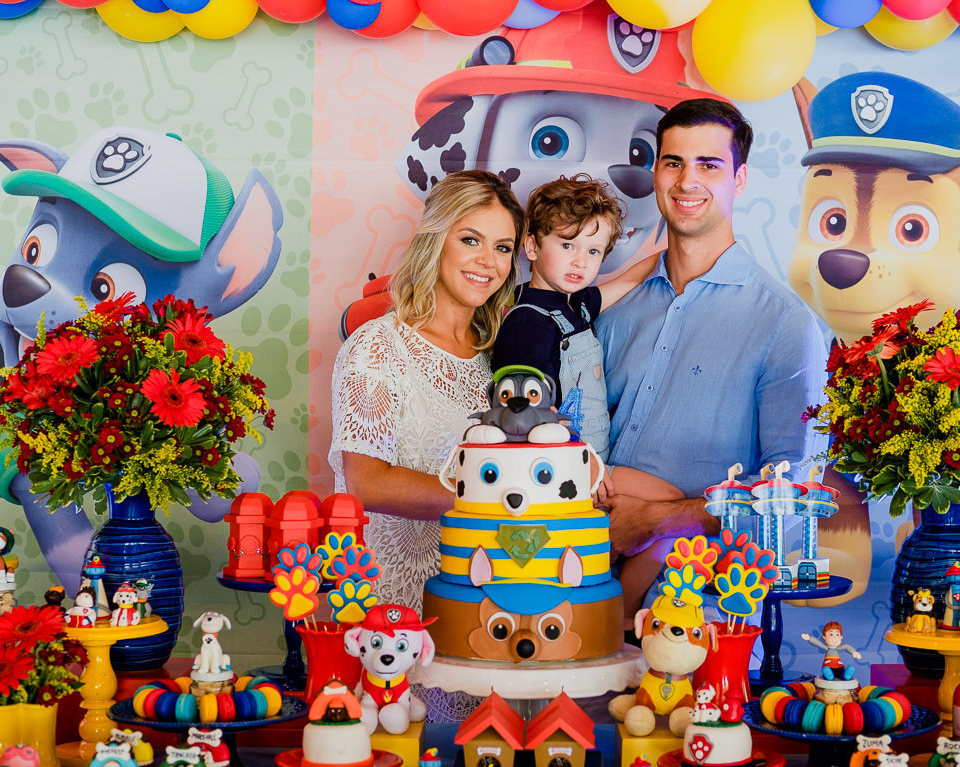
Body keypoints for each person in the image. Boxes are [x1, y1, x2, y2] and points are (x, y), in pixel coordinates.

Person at [595, 97, 827, 616]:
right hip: (575, 590)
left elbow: (794, 491)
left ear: (739, 180)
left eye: (709, 165)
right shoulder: (614, 306)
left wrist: (656, 519)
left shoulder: (785, 323)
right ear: (655, 171)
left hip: (701, 612)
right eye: (673, 162)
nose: (686, 181)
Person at [329, 170, 525, 616]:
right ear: (435, 240)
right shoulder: (379, 346)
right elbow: (367, 483)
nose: (488, 262)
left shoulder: (501, 357)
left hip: (488, 598)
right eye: (470, 240)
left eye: (503, 248)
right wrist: (509, 497)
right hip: (392, 608)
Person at [491, 174, 654, 462]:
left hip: (594, 456)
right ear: (532, 247)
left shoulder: (577, 303)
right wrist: (579, 460)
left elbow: (629, 280)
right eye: (568, 245)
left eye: (593, 251)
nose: (581, 261)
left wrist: (679, 252)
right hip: (559, 464)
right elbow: (526, 413)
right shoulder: (528, 322)